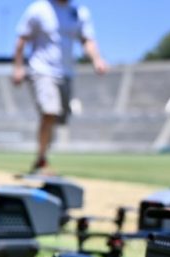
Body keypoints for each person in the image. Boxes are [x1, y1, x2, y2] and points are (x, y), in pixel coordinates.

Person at [12, 0, 108, 173]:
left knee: (58, 119)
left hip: (66, 73)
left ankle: (43, 154)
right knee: (49, 112)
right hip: (42, 69)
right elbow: (22, 39)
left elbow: (87, 40)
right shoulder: (39, 9)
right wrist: (18, 67)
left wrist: (97, 59)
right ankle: (41, 160)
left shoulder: (79, 12)